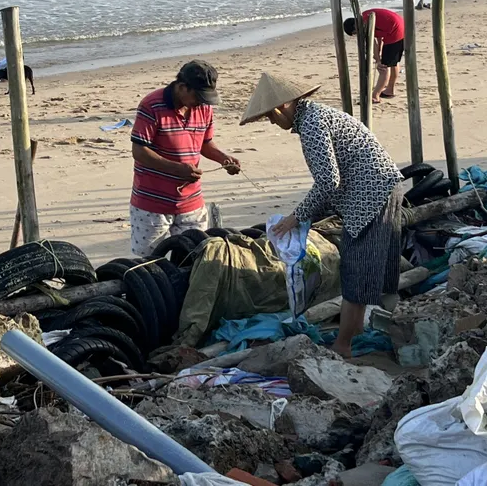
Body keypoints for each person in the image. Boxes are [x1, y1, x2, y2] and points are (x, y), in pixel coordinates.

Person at [240, 73, 403, 358]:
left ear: (280, 108)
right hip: (379, 186)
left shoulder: (313, 124)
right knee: (369, 268)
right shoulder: (315, 115)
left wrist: (297, 217)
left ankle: (343, 345)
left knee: (356, 270)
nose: (273, 123)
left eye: (269, 117)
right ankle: (369, 330)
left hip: (370, 193)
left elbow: (328, 181)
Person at [129, 60, 241, 257]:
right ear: (182, 87)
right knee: (150, 266)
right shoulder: (151, 105)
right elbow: (139, 151)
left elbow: (205, 143)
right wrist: (177, 169)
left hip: (191, 202)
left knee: (192, 258)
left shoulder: (204, 108)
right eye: (198, 96)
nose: (201, 102)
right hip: (152, 205)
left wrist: (224, 159)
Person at [343, 8, 405, 102]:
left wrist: (378, 60)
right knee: (393, 62)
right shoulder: (364, 17)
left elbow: (372, 42)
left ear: (355, 27)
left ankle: (375, 96)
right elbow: (378, 35)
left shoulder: (364, 24)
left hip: (394, 31)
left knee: (384, 67)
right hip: (400, 26)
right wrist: (380, 50)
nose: (357, 34)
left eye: (355, 33)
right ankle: (390, 89)